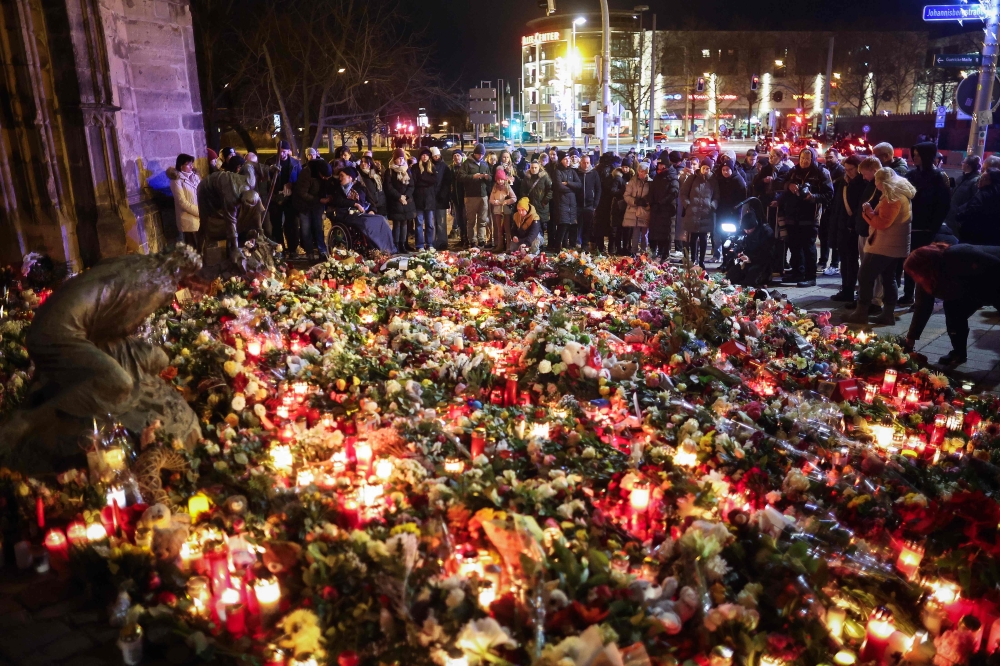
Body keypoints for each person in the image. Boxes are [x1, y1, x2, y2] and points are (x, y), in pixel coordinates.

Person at [905, 241, 1000, 365]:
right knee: (953, 308)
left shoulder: (958, 255)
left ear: (924, 266)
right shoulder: (927, 276)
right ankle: (958, 352)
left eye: (914, 274)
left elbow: (995, 269)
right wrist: (910, 339)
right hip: (975, 289)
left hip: (994, 280)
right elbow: (923, 306)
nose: (914, 278)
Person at [845, 167, 916, 325]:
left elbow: (882, 223)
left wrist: (868, 212)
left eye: (876, 180)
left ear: (882, 181)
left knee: (865, 275)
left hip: (884, 244)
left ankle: (861, 312)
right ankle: (887, 314)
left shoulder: (893, 196)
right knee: (888, 277)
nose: (875, 184)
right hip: (892, 244)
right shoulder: (898, 192)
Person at [902, 142, 952, 304]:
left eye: (917, 154)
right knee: (910, 262)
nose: (914, 157)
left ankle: (922, 298)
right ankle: (908, 294)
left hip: (927, 229)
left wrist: (933, 227)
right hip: (911, 225)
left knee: (924, 265)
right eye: (913, 154)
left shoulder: (938, 177)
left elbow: (943, 205)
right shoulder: (911, 175)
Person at [779, 147, 833, 287]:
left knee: (808, 247)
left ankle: (810, 276)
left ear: (813, 159)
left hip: (810, 216)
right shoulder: (794, 170)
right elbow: (781, 183)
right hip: (792, 214)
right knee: (794, 246)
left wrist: (812, 197)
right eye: (802, 158)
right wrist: (789, 185)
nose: (804, 161)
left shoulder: (821, 173)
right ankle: (798, 273)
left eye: (807, 159)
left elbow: (829, 195)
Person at [830, 155, 865, 302]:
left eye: (851, 169)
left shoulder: (862, 184)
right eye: (846, 169)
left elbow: (859, 207)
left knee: (851, 260)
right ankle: (845, 288)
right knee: (844, 260)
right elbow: (837, 206)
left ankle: (850, 289)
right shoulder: (843, 183)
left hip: (853, 228)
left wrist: (852, 223)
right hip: (841, 226)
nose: (848, 172)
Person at [267, 140, 302, 255]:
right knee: (276, 224)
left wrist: (293, 185)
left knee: (291, 223)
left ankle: (292, 248)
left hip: (290, 197)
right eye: (280, 152)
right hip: (276, 197)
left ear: (288, 151)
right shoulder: (270, 162)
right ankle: (279, 248)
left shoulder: (295, 163)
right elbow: (266, 180)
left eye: (284, 152)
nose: (282, 154)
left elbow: (301, 179)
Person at [293, 157, 331, 261]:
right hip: (304, 204)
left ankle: (322, 251)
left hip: (317, 204)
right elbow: (302, 192)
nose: (325, 179)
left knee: (318, 227)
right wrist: (319, 200)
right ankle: (309, 252)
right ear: (319, 173)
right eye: (324, 176)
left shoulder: (325, 174)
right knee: (306, 229)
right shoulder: (307, 173)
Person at [681, 161, 719, 268]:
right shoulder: (692, 178)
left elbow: (716, 195)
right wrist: (687, 204)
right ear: (701, 167)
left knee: (703, 237)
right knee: (693, 237)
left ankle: (702, 261)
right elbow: (683, 193)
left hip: (706, 213)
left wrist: (712, 205)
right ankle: (693, 259)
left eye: (708, 168)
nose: (705, 170)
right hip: (693, 212)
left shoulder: (713, 180)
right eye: (704, 168)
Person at [726, 209, 774, 287]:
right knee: (731, 276)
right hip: (746, 262)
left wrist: (751, 258)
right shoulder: (745, 233)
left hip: (761, 263)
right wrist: (739, 254)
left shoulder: (765, 232)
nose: (747, 231)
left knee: (750, 280)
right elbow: (741, 246)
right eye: (745, 229)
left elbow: (767, 253)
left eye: (749, 229)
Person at [955, 168, 1000, 245]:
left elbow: (971, 210)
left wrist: (959, 215)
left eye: (985, 179)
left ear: (993, 181)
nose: (980, 180)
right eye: (981, 177)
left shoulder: (983, 194)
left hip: (973, 237)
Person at [460, 144, 493, 248]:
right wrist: (472, 177)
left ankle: (481, 239)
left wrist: (488, 177)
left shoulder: (484, 164)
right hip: (471, 196)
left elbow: (490, 178)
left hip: (483, 195)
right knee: (471, 221)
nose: (481, 156)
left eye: (482, 154)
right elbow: (460, 177)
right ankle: (472, 240)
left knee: (482, 219)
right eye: (479, 154)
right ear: (474, 153)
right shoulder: (467, 163)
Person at [818, 148, 845, 275]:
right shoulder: (824, 170)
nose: (828, 159)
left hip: (835, 208)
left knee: (834, 237)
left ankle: (834, 264)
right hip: (825, 207)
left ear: (837, 158)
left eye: (831, 157)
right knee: (823, 235)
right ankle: (822, 261)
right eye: (827, 157)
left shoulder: (841, 172)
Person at [384, 148, 416, 251]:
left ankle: (403, 244)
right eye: (398, 158)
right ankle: (396, 244)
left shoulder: (407, 170)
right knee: (397, 223)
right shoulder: (390, 171)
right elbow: (388, 187)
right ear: (394, 159)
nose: (401, 160)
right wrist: (399, 197)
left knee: (405, 223)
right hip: (395, 201)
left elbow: (411, 185)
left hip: (406, 201)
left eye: (402, 158)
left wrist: (406, 196)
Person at [714, 158, 748, 251]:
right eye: (723, 170)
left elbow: (742, 198)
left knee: (731, 238)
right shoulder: (720, 180)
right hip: (722, 213)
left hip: (733, 214)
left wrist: (735, 209)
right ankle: (725, 262)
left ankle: (730, 261)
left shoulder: (738, 180)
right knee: (723, 237)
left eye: (727, 170)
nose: (725, 172)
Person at [648, 159, 679, 259]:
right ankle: (653, 252)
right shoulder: (658, 176)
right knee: (653, 232)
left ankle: (664, 253)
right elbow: (652, 190)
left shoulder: (672, 176)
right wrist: (652, 202)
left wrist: (661, 202)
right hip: (655, 208)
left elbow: (673, 192)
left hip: (666, 209)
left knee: (665, 233)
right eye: (658, 164)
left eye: (661, 165)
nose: (659, 166)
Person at [167, 153, 201, 246]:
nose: (191, 166)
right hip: (188, 219)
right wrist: (198, 211)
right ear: (181, 166)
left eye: (192, 164)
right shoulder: (176, 180)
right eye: (188, 164)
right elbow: (182, 201)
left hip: (200, 218)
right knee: (193, 248)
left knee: (202, 248)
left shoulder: (196, 177)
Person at [551, 151, 582, 250]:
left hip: (571, 203)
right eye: (565, 159)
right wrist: (572, 189)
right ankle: (557, 246)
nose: (568, 161)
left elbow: (579, 185)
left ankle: (566, 246)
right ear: (561, 161)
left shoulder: (572, 171)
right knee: (563, 225)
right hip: (562, 202)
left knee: (570, 225)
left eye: (568, 159)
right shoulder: (557, 172)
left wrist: (568, 183)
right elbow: (559, 187)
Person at [944, 155, 982, 235]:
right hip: (951, 216)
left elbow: (973, 200)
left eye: (963, 162)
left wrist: (960, 211)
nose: (962, 163)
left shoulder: (975, 181)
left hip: (960, 219)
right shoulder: (961, 178)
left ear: (967, 165)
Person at [595, 155, 624, 254]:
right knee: (612, 226)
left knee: (599, 226)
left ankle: (600, 247)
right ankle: (611, 248)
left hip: (599, 202)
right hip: (611, 202)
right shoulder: (614, 170)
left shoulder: (597, 169)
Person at [622, 161, 653, 255]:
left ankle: (644, 253)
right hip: (634, 211)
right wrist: (635, 201)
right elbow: (626, 195)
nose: (642, 173)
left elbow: (653, 196)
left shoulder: (650, 182)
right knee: (635, 233)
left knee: (645, 234)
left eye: (644, 171)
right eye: (640, 171)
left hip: (645, 211)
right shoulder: (632, 181)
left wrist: (647, 201)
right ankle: (633, 252)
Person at [413, 148, 438, 251]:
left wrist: (422, 179)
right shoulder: (415, 167)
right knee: (419, 224)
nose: (425, 157)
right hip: (418, 199)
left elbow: (434, 180)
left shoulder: (432, 167)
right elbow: (415, 181)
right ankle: (419, 245)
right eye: (423, 155)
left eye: (427, 155)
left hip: (429, 200)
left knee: (430, 224)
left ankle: (429, 244)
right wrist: (427, 181)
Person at [522, 159, 553, 247]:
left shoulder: (544, 177)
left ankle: (541, 244)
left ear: (539, 167)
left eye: (535, 167)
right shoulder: (527, 177)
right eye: (532, 168)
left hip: (541, 206)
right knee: (532, 225)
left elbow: (550, 190)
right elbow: (523, 190)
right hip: (531, 206)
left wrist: (545, 201)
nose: (534, 169)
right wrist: (526, 202)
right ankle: (533, 244)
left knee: (542, 225)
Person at [576, 154, 601, 250]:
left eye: (587, 163)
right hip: (578, 204)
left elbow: (598, 189)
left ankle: (585, 244)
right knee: (578, 225)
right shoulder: (576, 173)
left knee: (588, 226)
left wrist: (595, 204)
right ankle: (577, 242)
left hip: (590, 205)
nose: (586, 165)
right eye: (584, 163)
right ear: (580, 163)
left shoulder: (594, 174)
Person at [489, 168, 517, 252]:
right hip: (498, 211)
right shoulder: (494, 188)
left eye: (501, 179)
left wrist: (506, 201)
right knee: (499, 229)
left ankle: (508, 246)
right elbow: (491, 199)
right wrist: (495, 202)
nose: (500, 181)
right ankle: (500, 245)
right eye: (498, 179)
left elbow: (514, 198)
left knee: (507, 229)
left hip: (506, 211)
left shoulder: (507, 188)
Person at [430, 148, 451, 250]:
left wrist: (442, 195)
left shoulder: (445, 167)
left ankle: (442, 242)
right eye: (434, 156)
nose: (436, 157)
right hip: (431, 199)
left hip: (441, 200)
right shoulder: (429, 166)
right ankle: (432, 242)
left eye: (437, 156)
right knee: (432, 222)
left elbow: (446, 183)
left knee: (441, 222)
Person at [449, 150, 467, 244]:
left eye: (458, 155)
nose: (456, 157)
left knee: (465, 218)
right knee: (459, 218)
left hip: (464, 197)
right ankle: (462, 237)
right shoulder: (451, 168)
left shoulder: (465, 167)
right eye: (455, 156)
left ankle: (466, 238)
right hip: (455, 198)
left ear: (461, 157)